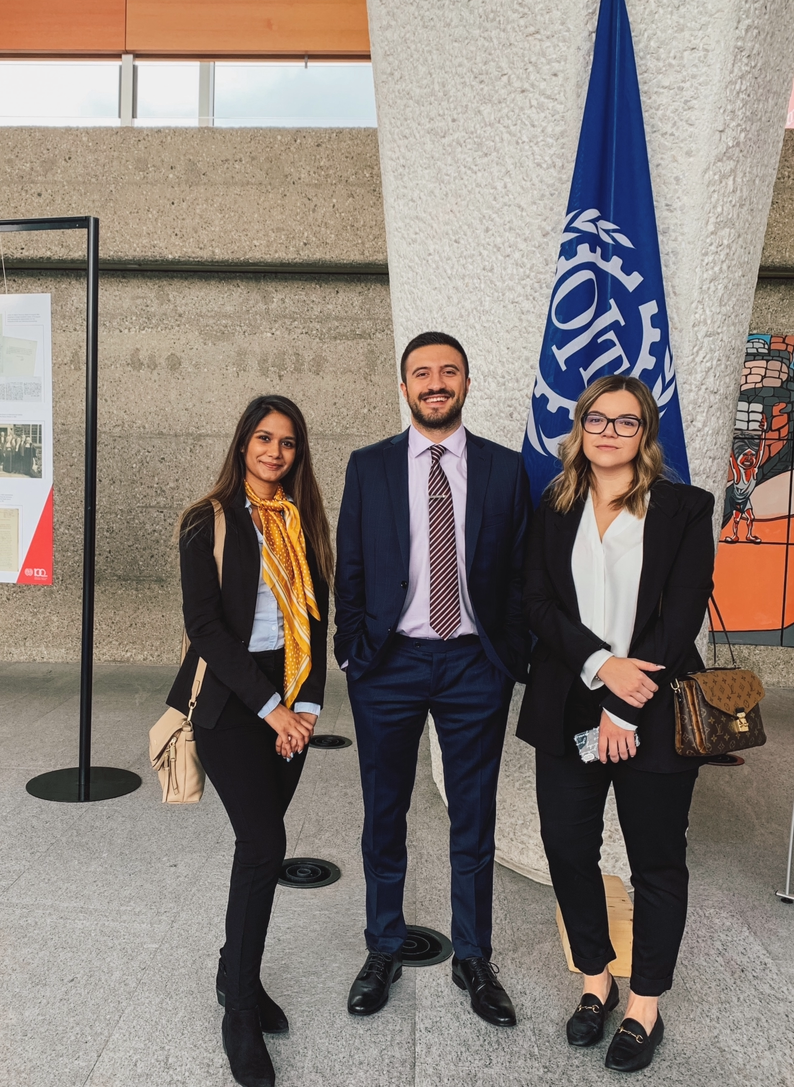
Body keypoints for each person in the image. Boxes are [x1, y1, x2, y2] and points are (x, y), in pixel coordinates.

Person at [517, 374, 714, 1073]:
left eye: (624, 421)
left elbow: (683, 610)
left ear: (645, 432)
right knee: (568, 847)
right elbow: (537, 601)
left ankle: (644, 1005)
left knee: (656, 860)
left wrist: (627, 700)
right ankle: (596, 981)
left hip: (654, 710)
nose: (608, 431)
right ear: (581, 427)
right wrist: (603, 666)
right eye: (597, 419)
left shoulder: (687, 509)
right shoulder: (556, 502)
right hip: (569, 700)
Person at [335, 331, 531, 1026]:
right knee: (384, 812)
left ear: (467, 383)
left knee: (473, 816)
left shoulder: (507, 471)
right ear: (404, 386)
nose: (436, 381)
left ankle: (473, 957)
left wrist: (513, 651)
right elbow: (349, 565)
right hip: (388, 664)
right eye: (423, 372)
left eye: (449, 370)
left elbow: (520, 571)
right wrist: (352, 649)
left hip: (476, 664)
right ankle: (384, 943)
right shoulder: (370, 467)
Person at [167, 394, 332, 1087]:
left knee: (257, 848)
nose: (274, 451)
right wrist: (273, 710)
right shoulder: (207, 521)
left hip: (292, 692)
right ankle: (238, 1010)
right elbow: (205, 628)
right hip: (236, 702)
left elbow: (318, 619)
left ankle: (236, 971)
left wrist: (310, 705)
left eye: (287, 442)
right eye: (263, 438)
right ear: (242, 446)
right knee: (265, 845)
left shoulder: (304, 522)